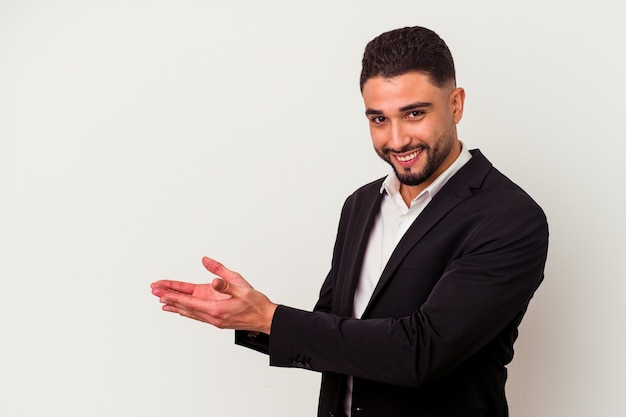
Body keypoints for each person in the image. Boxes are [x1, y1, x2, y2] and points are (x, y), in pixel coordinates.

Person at [151, 26, 549, 417]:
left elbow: (421, 353)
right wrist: (248, 314)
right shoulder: (360, 205)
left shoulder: (510, 219)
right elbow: (333, 331)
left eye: (413, 114)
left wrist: (268, 316)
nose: (396, 140)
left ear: (456, 104)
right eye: (378, 119)